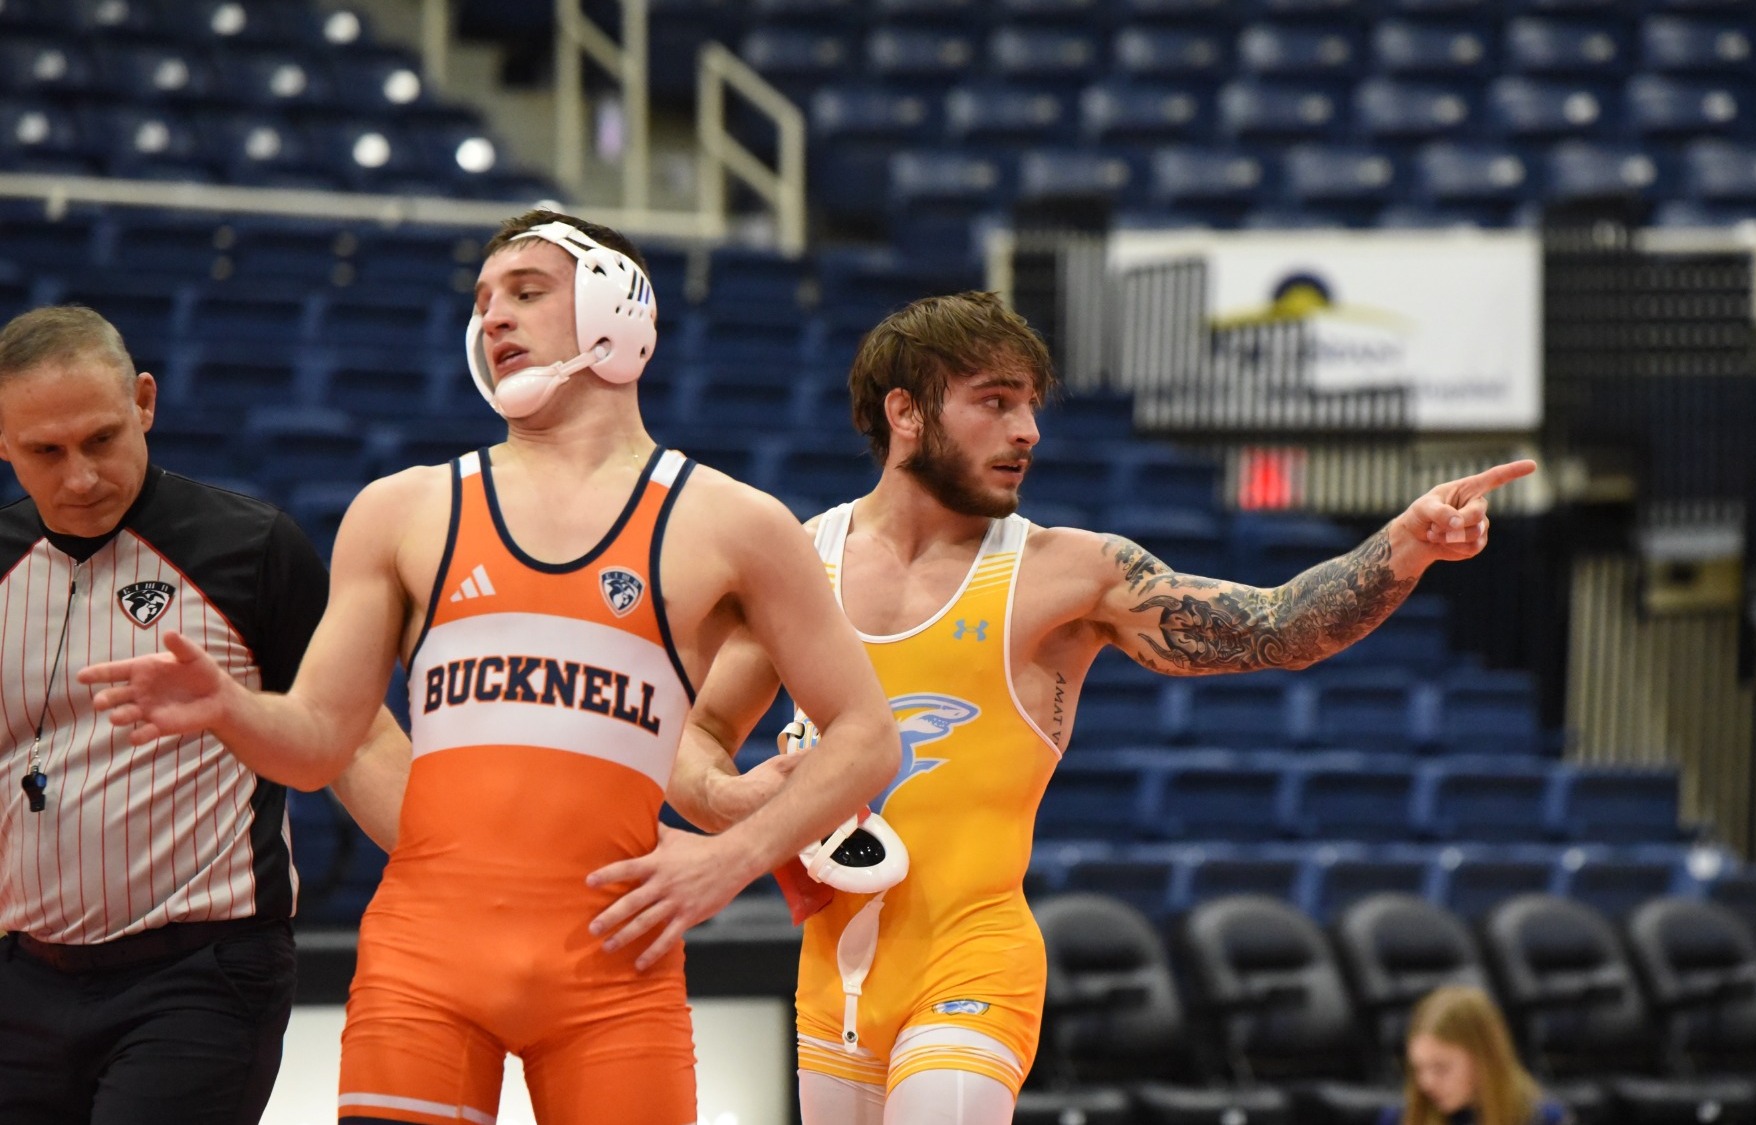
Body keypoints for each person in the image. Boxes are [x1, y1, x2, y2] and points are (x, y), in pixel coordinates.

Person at [589, 291, 1538, 1124]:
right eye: (995, 402)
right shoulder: (801, 564)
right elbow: (695, 743)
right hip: (831, 980)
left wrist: (1406, 547)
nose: (1028, 430)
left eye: (1031, 404)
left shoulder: (1066, 575)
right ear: (906, 414)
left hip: (976, 959)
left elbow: (1275, 628)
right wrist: (747, 807)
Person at [78, 210, 900, 1125]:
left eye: (526, 291)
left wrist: (731, 859)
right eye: (482, 301)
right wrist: (231, 708)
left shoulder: (734, 524)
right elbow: (317, 746)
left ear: (616, 307)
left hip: (614, 968)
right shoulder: (406, 509)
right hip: (425, 960)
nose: (493, 317)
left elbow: (868, 738)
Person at [0, 304, 407, 1125]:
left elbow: (356, 734)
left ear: (145, 402)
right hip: (19, 979)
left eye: (102, 439)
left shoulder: (251, 548)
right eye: (45, 452)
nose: (79, 476)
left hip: (201, 976)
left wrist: (466, 873)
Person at [1384, 985, 1568, 1125]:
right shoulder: (1403, 1117)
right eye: (1419, 1068)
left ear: (1484, 1060)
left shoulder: (1541, 1117)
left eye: (1441, 1068)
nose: (1427, 1082)